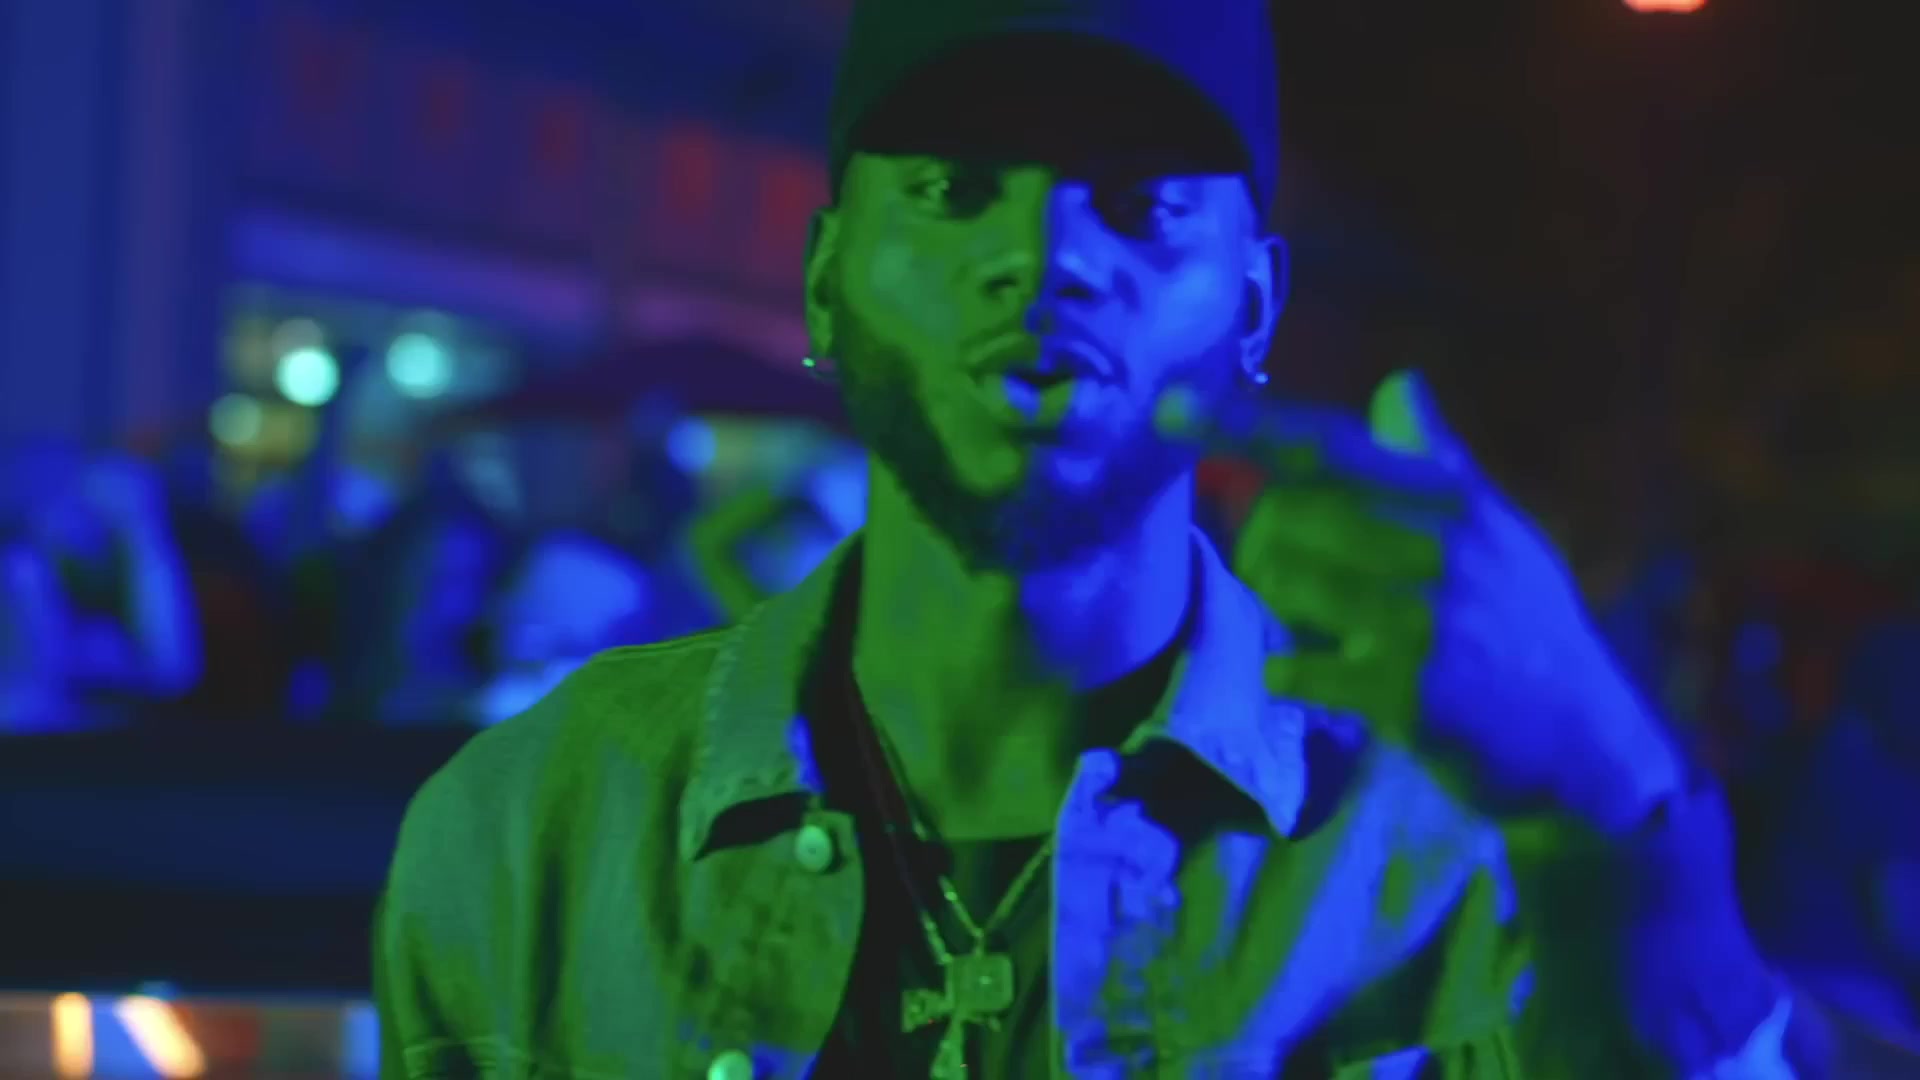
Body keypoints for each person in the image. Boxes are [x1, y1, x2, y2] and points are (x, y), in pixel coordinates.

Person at [376, 2, 1818, 1075]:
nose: (1047, 258)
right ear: (824, 285)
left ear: (1253, 305)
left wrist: (1612, 802)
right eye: (952, 192)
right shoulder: (537, 825)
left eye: (1140, 206)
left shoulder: (1454, 860)